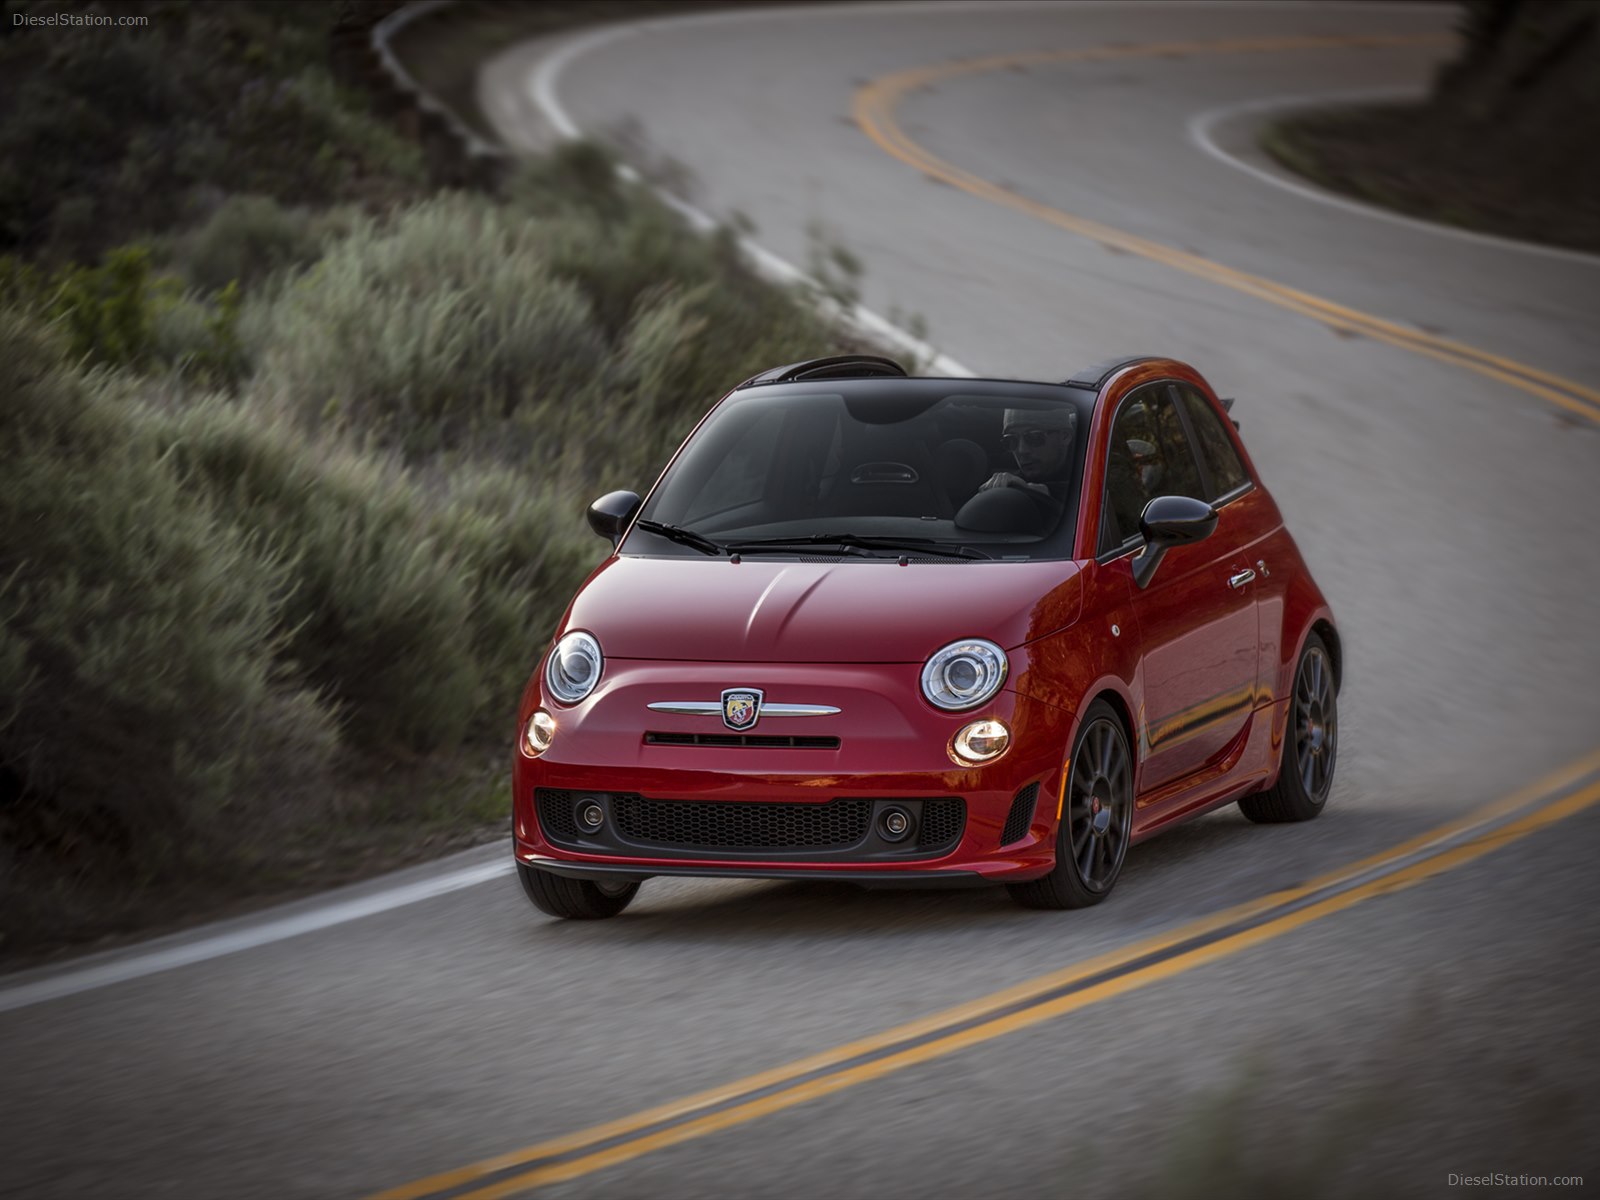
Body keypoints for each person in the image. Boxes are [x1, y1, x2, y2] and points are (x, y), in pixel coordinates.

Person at [980, 407, 1076, 501]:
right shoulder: (1005, 474)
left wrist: (1045, 491)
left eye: (1034, 437)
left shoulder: (1087, 470)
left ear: (1064, 437)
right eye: (1012, 440)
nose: (1022, 450)